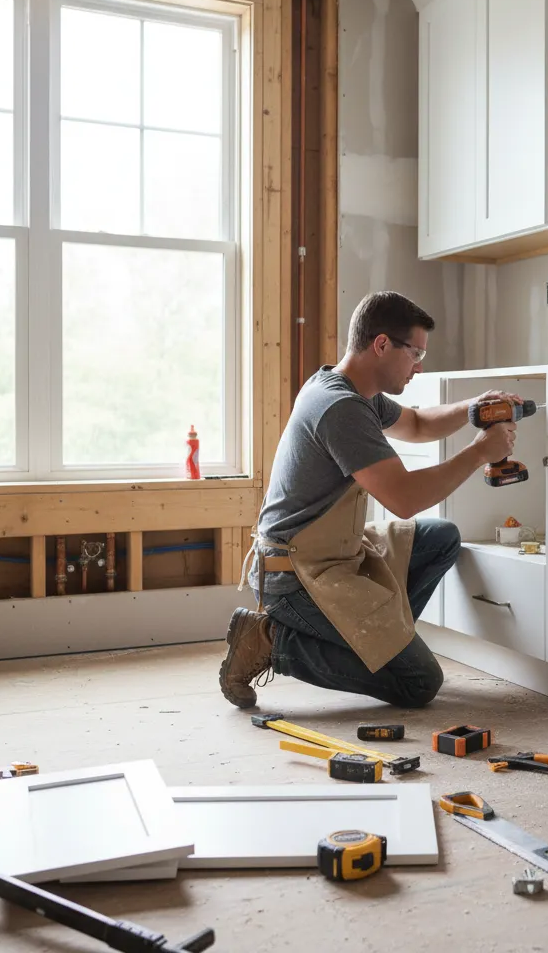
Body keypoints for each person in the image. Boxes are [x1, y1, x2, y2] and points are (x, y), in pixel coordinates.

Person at [219, 290, 520, 710]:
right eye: (415, 353)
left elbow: (415, 424)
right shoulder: (340, 406)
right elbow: (405, 498)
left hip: (332, 553)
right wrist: (478, 453)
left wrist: (476, 407)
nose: (419, 366)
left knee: (440, 538)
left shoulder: (353, 390)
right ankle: (271, 641)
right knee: (419, 683)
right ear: (381, 344)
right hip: (295, 573)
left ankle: (380, 641)